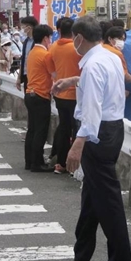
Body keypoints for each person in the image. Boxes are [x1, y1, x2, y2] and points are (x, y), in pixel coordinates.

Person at [53, 16, 131, 261]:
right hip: (111, 129)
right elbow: (101, 86)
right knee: (93, 193)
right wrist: (72, 81)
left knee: (107, 199)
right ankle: (82, 250)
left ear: (78, 38)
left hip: (97, 133)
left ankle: (120, 259)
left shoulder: (95, 64)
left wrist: (77, 143)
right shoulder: (107, 56)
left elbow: (92, 109)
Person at [44, 18, 83, 174]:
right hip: (77, 94)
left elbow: (51, 70)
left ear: (58, 30)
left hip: (60, 94)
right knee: (76, 129)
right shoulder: (78, 48)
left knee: (64, 127)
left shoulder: (52, 48)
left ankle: (61, 162)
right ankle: (73, 164)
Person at [24, 24, 55, 173]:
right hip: (41, 95)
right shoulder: (45, 55)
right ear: (45, 38)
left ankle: (29, 161)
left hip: (30, 93)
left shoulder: (32, 52)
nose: (51, 40)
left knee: (32, 130)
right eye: (50, 37)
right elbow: (54, 75)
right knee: (40, 131)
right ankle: (38, 163)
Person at [17, 16, 39, 91]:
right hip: (26, 75)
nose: (22, 29)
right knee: (27, 99)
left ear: (29, 27)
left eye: (23, 27)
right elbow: (23, 59)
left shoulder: (38, 41)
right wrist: (19, 77)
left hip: (36, 76)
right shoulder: (26, 41)